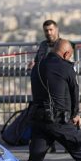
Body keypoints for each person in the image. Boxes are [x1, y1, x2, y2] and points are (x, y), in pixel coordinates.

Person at [28, 19, 61, 153]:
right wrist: (33, 65)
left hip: (58, 86)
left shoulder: (63, 45)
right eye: (46, 31)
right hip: (43, 86)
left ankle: (70, 143)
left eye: (51, 30)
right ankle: (49, 145)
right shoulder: (42, 45)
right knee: (46, 116)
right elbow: (38, 61)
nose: (48, 33)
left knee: (62, 115)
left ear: (56, 30)